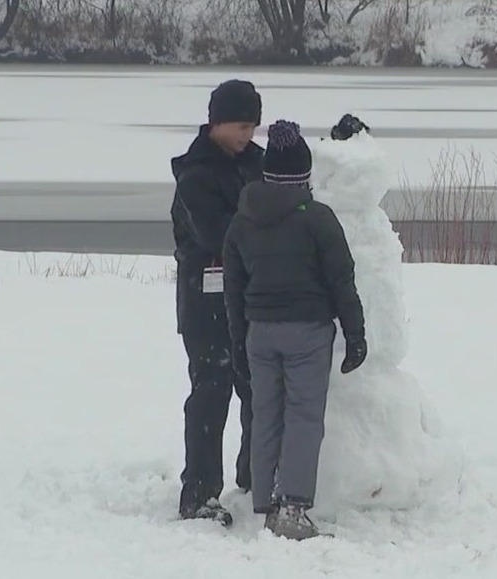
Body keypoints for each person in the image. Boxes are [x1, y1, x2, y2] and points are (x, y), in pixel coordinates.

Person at [222, 119, 368, 540]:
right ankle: (292, 507)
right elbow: (341, 280)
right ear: (303, 176)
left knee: (266, 413)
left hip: (260, 332)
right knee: (303, 415)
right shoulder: (318, 219)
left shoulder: (242, 221)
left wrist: (238, 340)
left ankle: (264, 499)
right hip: (307, 332)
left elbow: (233, 288)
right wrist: (355, 334)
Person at [169, 79, 265, 526]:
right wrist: (265, 229)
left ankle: (255, 478)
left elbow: (296, 181)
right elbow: (217, 235)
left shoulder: (256, 164)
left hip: (250, 298)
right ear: (217, 123)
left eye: (253, 127)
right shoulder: (195, 174)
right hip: (204, 304)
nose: (248, 135)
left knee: (257, 388)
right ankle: (199, 493)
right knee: (211, 392)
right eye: (242, 126)